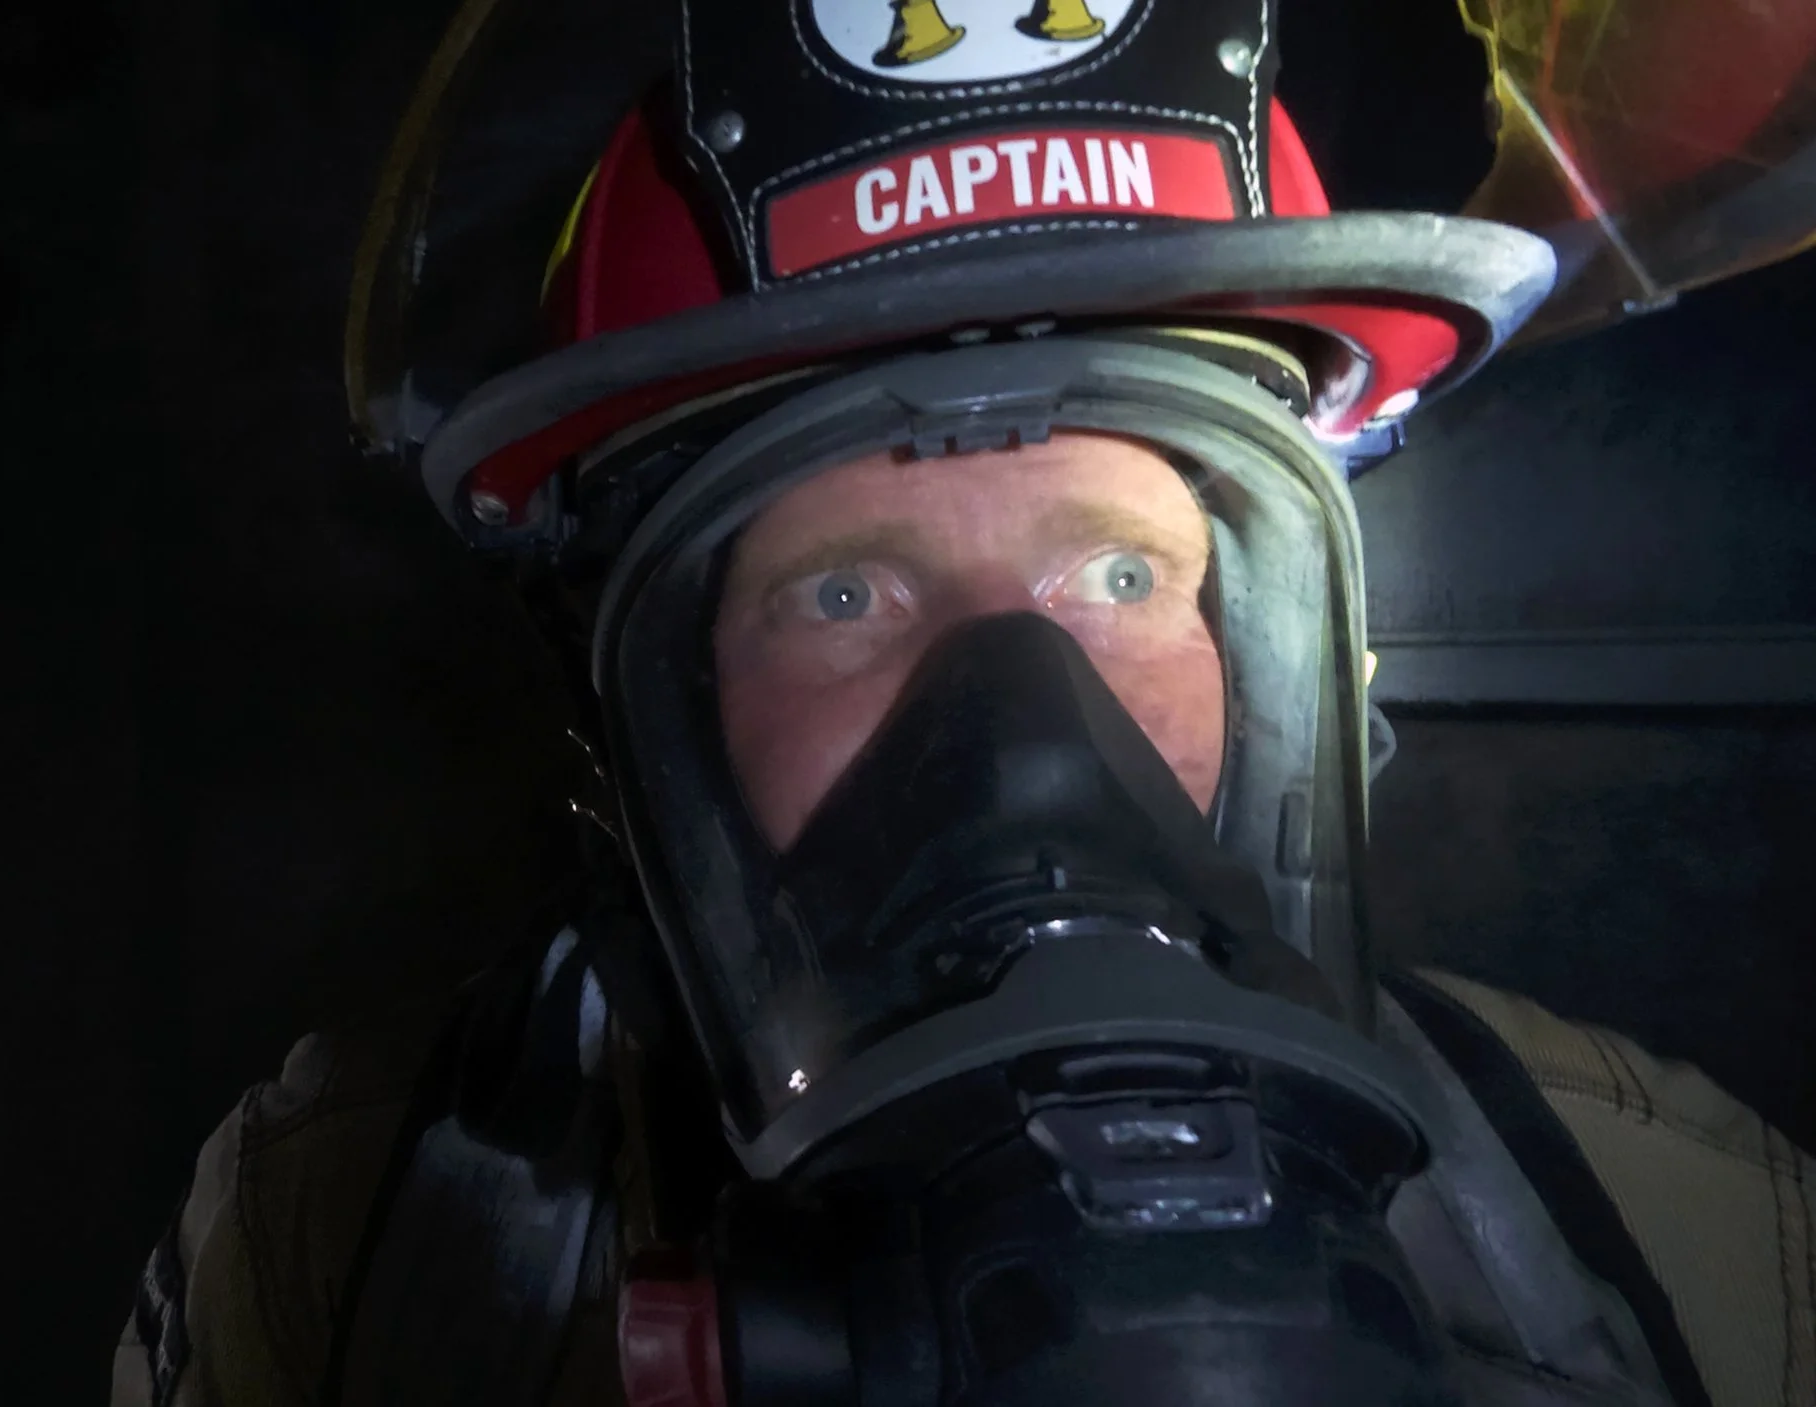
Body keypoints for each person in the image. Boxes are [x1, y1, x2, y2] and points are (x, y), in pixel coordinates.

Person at [115, 1, 1816, 1403]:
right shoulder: (336, 1236)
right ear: (655, 731)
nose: (1020, 747)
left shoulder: (1692, 1236)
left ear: (1296, 663)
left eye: (1122, 580)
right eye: (845, 594)